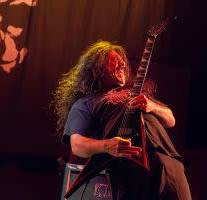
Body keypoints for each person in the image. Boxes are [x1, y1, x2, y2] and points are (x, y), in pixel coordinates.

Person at [52, 41, 192, 200]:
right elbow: (77, 145)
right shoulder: (86, 103)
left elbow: (171, 119)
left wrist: (152, 106)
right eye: (115, 60)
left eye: (123, 60)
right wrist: (107, 145)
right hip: (130, 172)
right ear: (97, 67)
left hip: (169, 166)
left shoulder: (138, 94)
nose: (123, 64)